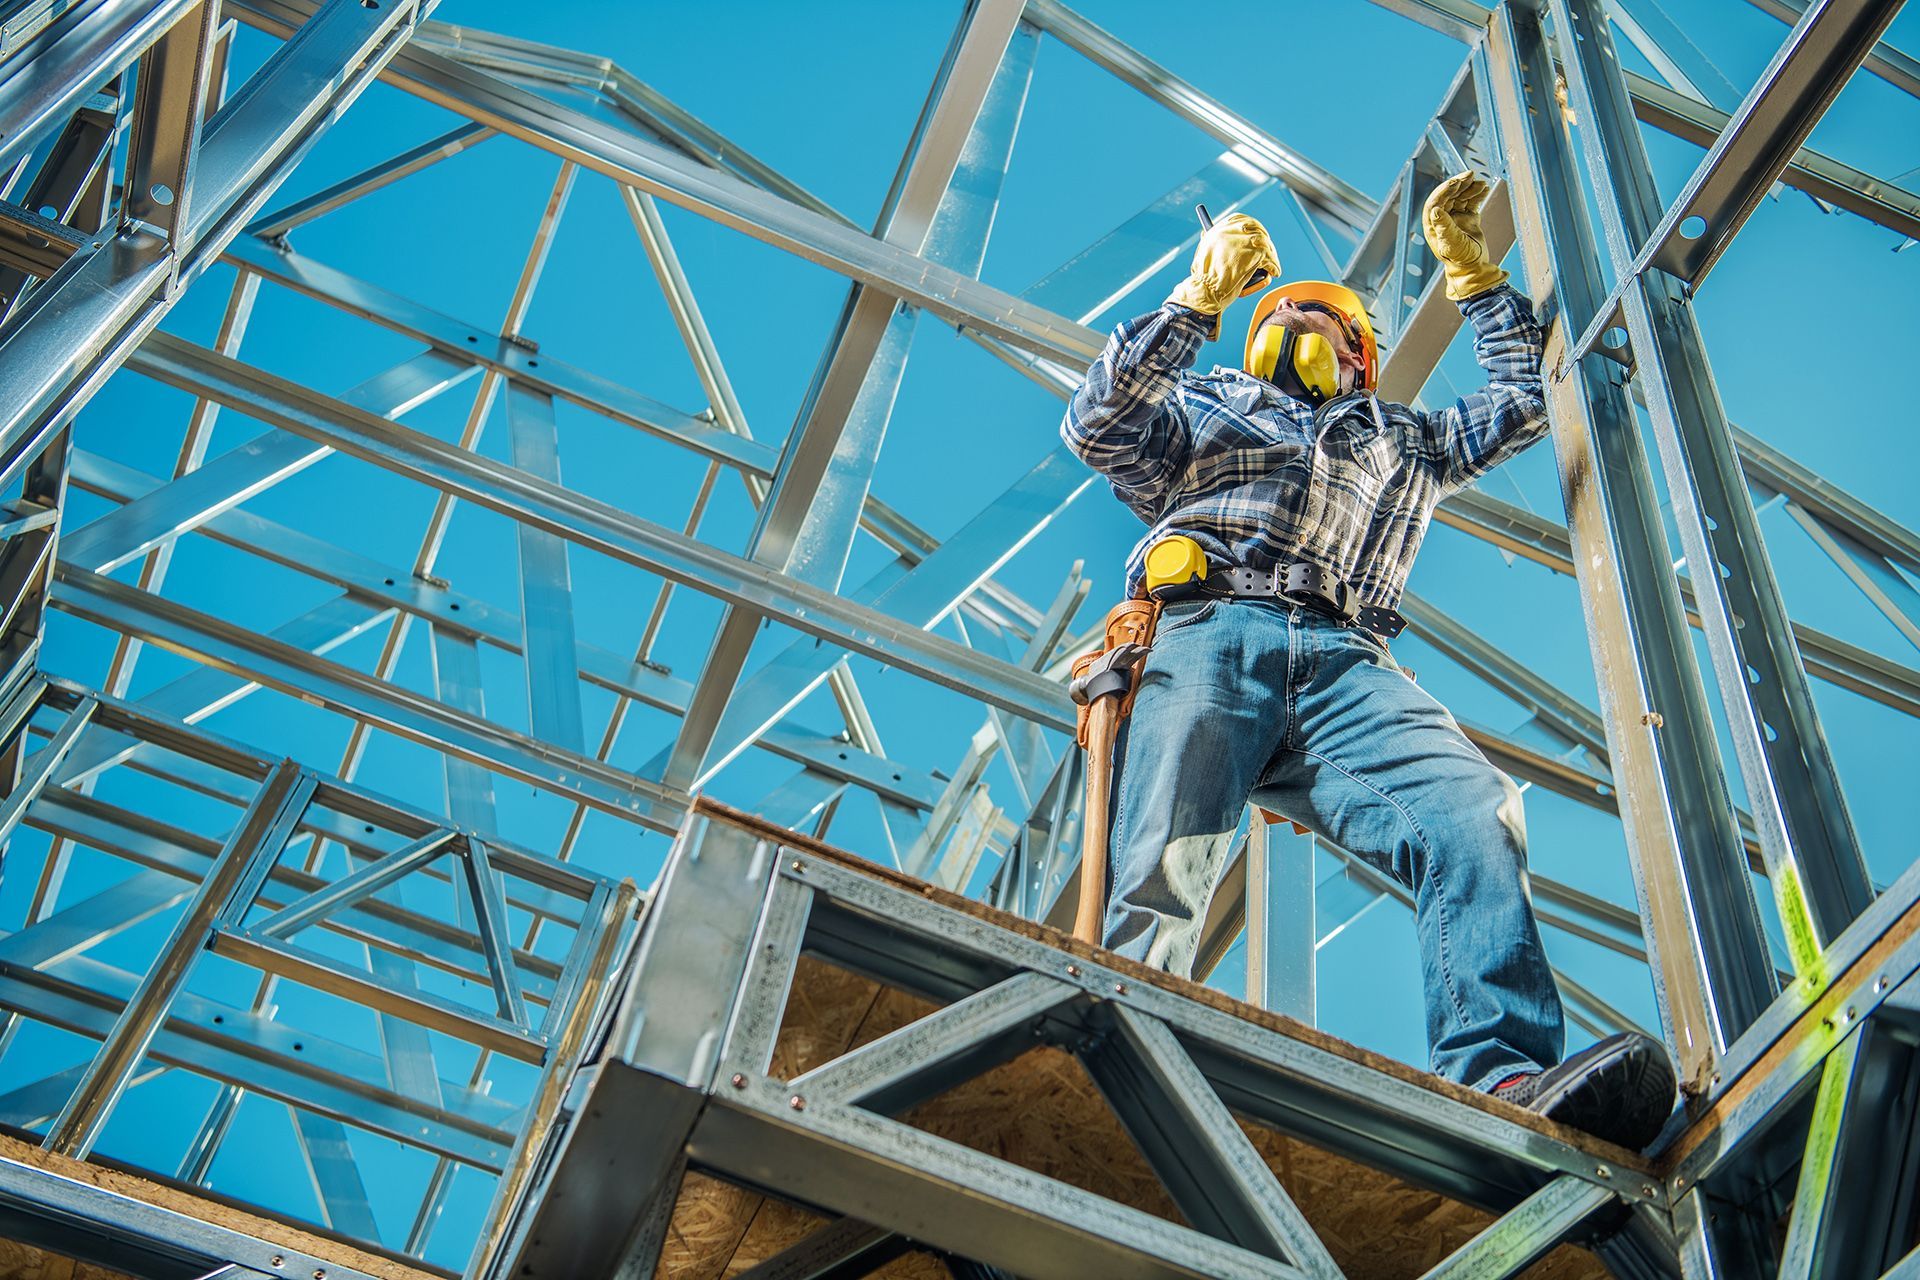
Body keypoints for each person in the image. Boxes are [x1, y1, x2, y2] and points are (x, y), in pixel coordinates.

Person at [1060, 172, 1677, 1151]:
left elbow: (1522, 397)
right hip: (1210, 627)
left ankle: (1500, 1071)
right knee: (1170, 855)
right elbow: (1100, 420)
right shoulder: (1210, 404)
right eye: (1279, 308)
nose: (1296, 314)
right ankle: (1118, 1053)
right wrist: (1195, 301)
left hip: (1349, 662)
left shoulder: (1402, 441)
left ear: (1362, 354)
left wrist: (1476, 277)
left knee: (1470, 811)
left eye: (1321, 311)